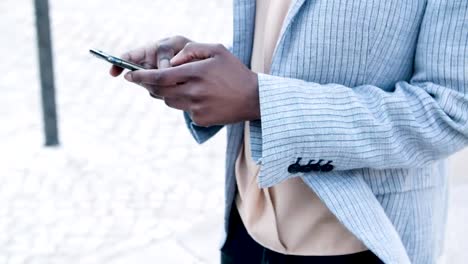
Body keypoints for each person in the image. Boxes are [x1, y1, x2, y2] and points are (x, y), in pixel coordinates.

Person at [110, 0, 468, 263]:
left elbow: (450, 110)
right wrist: (200, 70)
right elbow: (278, 43)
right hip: (243, 226)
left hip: (359, 239)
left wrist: (260, 100)